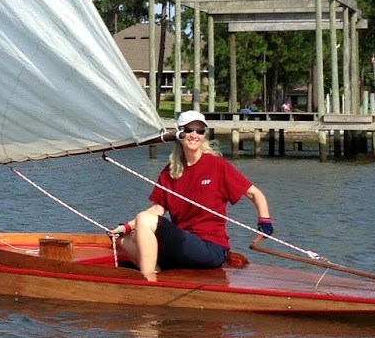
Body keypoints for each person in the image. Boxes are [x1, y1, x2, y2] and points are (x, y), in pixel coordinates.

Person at [112, 110, 272, 281]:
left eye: (200, 130)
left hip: (211, 248)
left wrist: (265, 220)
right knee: (124, 240)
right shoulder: (170, 172)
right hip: (183, 245)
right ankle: (156, 273)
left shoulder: (217, 165)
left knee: (144, 219)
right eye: (189, 129)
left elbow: (254, 193)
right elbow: (158, 209)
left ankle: (148, 281)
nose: (194, 134)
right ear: (179, 133)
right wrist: (125, 227)